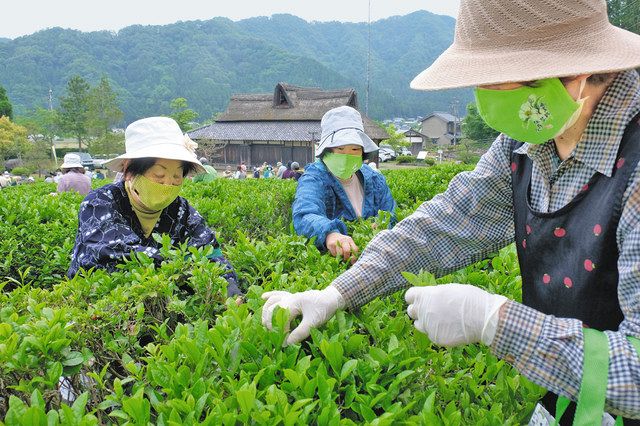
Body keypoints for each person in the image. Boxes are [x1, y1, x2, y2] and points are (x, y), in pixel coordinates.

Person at [262, 0, 640, 423]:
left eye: (502, 84)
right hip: (563, 402)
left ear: (576, 71)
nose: (490, 99)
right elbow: (445, 225)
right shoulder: (527, 143)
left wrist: (493, 321)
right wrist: (337, 293)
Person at [67, 117, 241, 297]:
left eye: (177, 176)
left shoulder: (183, 211)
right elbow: (117, 251)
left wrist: (228, 287)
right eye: (159, 175)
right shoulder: (100, 202)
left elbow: (211, 253)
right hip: (100, 307)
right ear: (129, 170)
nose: (168, 184)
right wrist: (186, 262)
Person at [291, 106, 396, 262]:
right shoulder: (313, 179)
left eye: (355, 149)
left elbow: (390, 212)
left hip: (376, 259)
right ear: (326, 151)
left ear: (363, 152)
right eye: (340, 148)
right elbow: (305, 214)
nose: (348, 155)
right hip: (336, 263)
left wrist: (382, 225)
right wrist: (330, 233)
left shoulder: (374, 178)